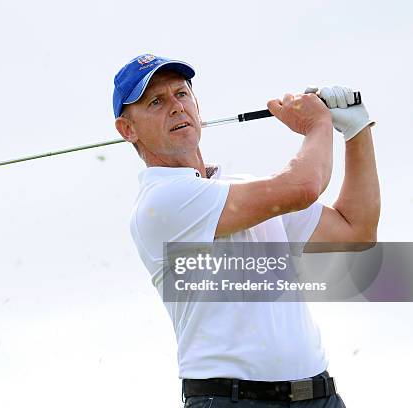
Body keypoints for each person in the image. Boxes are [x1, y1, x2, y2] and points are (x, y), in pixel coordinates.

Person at [112, 54, 380, 407]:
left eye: (181, 94)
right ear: (127, 130)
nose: (175, 108)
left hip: (319, 396)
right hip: (231, 401)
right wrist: (317, 124)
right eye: (155, 102)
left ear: (197, 106)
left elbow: (355, 230)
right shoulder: (160, 202)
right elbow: (303, 186)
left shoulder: (243, 191)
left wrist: (357, 131)